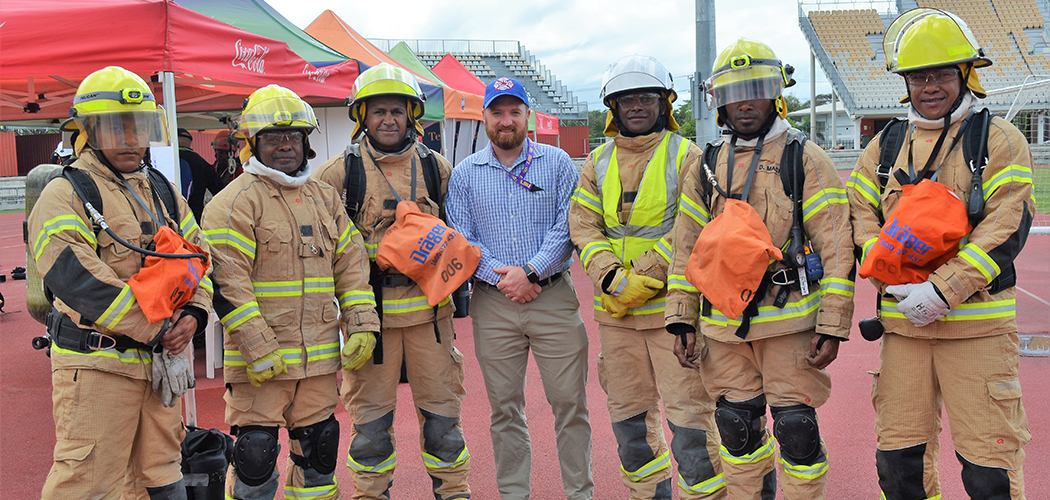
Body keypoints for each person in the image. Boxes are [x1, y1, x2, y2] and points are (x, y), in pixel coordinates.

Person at [847, 9, 1033, 499]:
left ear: (966, 74)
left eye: (943, 74)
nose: (930, 86)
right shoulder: (885, 146)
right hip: (903, 332)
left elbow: (1006, 224)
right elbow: (860, 217)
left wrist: (940, 291)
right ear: (905, 83)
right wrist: (889, 278)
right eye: (918, 76)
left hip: (978, 332)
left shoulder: (999, 140)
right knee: (899, 468)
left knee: (989, 474)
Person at [665, 39, 855, 500]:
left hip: (789, 325)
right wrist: (681, 318)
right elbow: (686, 249)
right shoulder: (706, 164)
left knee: (797, 432)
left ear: (775, 94)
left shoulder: (804, 157)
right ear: (719, 101)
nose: (745, 103)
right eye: (734, 93)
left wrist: (832, 325)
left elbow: (837, 248)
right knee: (736, 430)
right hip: (723, 327)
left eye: (755, 91)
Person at [29, 65, 212, 499]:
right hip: (98, 370)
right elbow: (79, 282)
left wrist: (195, 313)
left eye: (140, 127)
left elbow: (200, 258)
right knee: (88, 485)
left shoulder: (161, 191)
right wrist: (162, 328)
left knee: (161, 479)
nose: (131, 139)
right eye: (117, 127)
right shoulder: (65, 194)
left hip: (158, 368)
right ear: (88, 130)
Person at [201, 84, 380, 500]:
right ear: (252, 143)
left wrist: (361, 324)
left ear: (306, 143)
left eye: (293, 136)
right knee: (255, 460)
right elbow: (228, 284)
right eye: (273, 138)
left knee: (320, 456)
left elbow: (352, 265)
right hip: (261, 365)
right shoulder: (233, 203)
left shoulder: (325, 199)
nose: (285, 145)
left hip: (317, 362)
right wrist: (258, 346)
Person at [568, 54, 725, 500]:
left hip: (673, 316)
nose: (636, 106)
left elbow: (696, 226)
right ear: (613, 108)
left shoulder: (687, 155)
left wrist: (643, 275)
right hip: (617, 317)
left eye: (645, 97)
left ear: (664, 104)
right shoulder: (597, 161)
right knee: (630, 428)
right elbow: (582, 225)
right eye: (626, 99)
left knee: (690, 425)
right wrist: (612, 279)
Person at [313, 63, 472, 500]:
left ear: (412, 116)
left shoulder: (436, 168)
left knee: (443, 427)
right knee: (370, 431)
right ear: (361, 116)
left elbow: (459, 235)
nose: (388, 119)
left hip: (430, 321)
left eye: (397, 111)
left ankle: (454, 492)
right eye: (378, 111)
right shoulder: (337, 175)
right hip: (371, 324)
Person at [446, 77, 594, 500]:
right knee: (504, 410)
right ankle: (514, 494)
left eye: (514, 111)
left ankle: (579, 493)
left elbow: (567, 227)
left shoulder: (558, 163)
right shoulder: (466, 174)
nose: (506, 120)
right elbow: (462, 239)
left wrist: (530, 271)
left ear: (528, 115)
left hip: (553, 297)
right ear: (485, 117)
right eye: (497, 112)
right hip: (493, 304)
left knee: (571, 406)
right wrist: (504, 278)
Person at [176, 127, 226, 223]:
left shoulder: (164, 161)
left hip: (169, 219)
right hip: (194, 221)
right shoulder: (202, 164)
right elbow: (222, 193)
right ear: (190, 143)